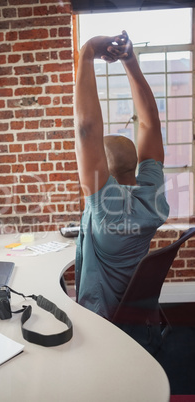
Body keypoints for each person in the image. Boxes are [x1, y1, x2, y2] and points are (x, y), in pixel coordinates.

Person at [74, 31, 169, 320]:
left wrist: (87, 52)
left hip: (101, 323)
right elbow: (150, 124)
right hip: (135, 318)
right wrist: (130, 61)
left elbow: (86, 129)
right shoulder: (152, 196)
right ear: (135, 165)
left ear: (105, 172)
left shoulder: (106, 211)